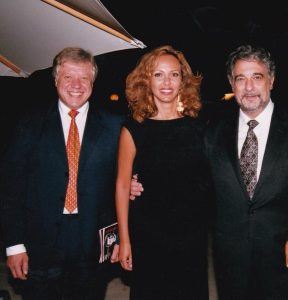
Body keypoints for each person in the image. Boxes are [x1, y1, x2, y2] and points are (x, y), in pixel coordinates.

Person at [131, 44, 288, 299]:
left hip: (280, 256)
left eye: (256, 77)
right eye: (240, 79)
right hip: (229, 259)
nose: (249, 87)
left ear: (271, 80)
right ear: (231, 83)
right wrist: (135, 179)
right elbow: (182, 170)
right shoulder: (213, 131)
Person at [0, 47, 123, 300]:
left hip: (91, 244)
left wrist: (121, 237)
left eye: (84, 78)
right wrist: (14, 245)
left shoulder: (115, 126)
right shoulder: (29, 124)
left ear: (93, 82)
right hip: (40, 243)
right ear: (56, 80)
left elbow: (123, 183)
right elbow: (11, 188)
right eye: (68, 77)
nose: (76, 85)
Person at [115, 45, 211, 300]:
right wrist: (124, 239)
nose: (167, 82)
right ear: (147, 80)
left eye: (174, 74)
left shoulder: (199, 127)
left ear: (183, 80)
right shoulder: (133, 129)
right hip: (148, 235)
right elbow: (123, 185)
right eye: (158, 74)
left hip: (192, 236)